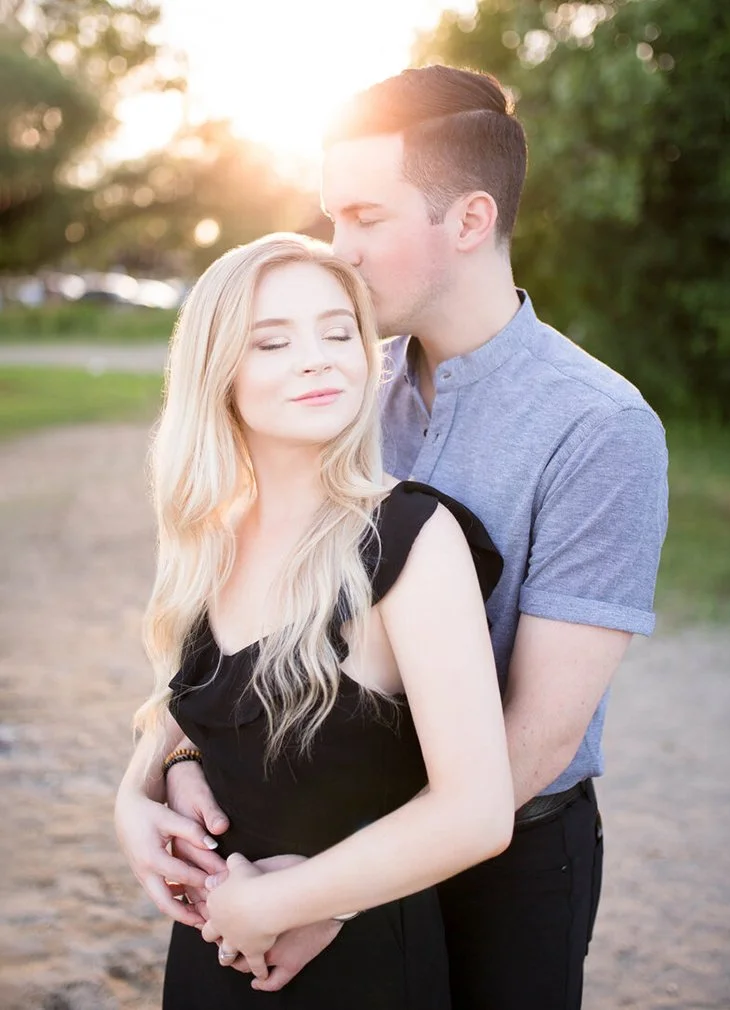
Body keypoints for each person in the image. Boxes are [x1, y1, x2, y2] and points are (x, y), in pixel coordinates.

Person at [119, 64, 669, 1009]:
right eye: (333, 217)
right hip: (315, 833)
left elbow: (535, 736)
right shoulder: (335, 377)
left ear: (468, 221)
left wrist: (334, 894)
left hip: (509, 860)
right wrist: (160, 768)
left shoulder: (599, 427)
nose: (341, 249)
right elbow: (238, 609)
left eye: (366, 219)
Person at [115, 231, 515, 1009]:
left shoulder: (410, 539)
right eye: (274, 341)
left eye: (339, 332)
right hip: (210, 956)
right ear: (218, 371)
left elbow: (476, 813)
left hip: (350, 964)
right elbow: (189, 705)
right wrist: (137, 791)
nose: (318, 357)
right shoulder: (212, 533)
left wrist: (275, 905)